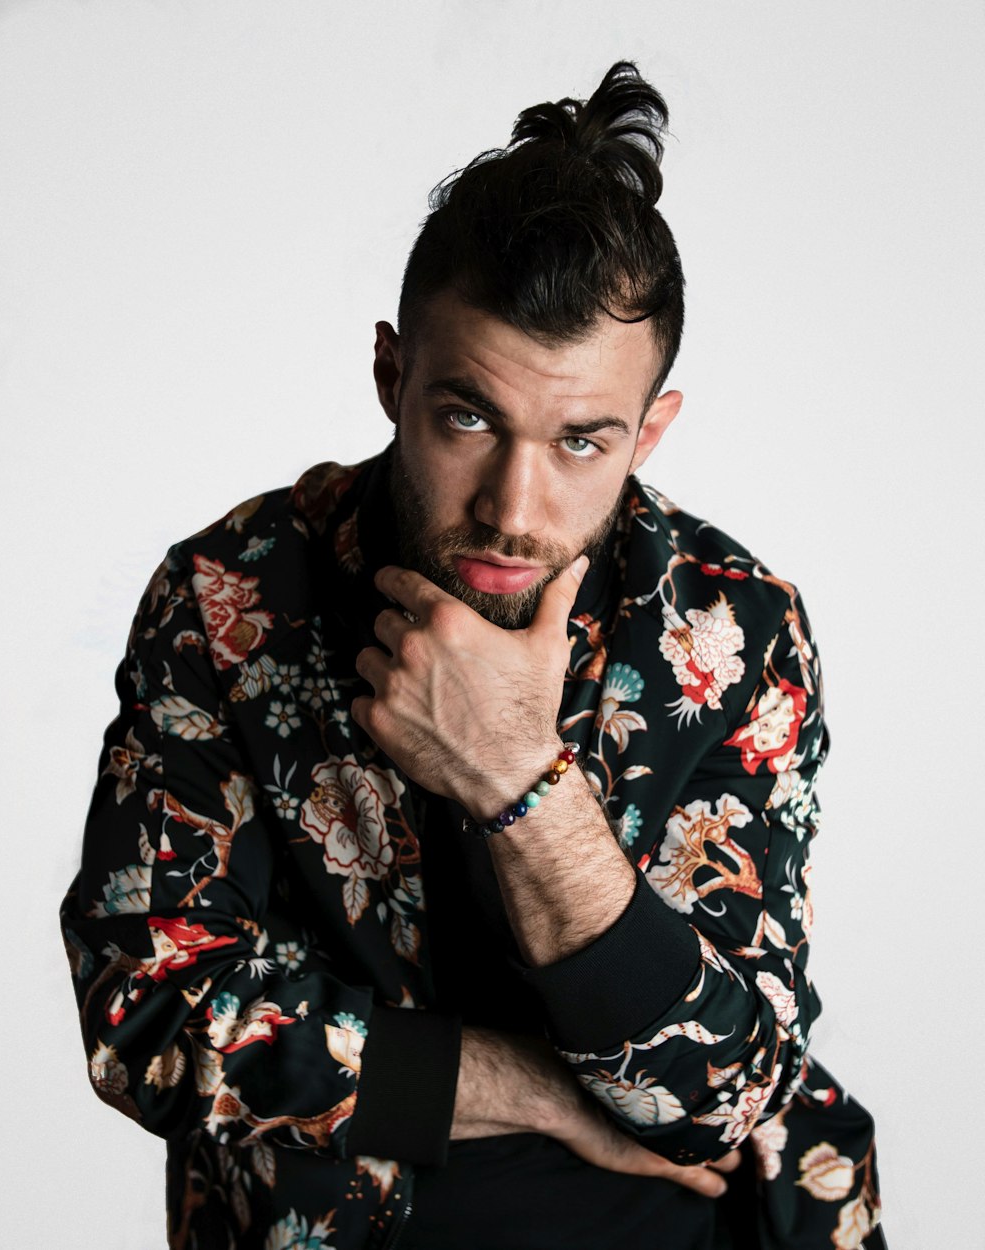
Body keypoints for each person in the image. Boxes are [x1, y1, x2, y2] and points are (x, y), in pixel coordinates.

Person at [60, 62, 884, 1250]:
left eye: (581, 440)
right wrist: (529, 1086)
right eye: (467, 417)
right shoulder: (231, 598)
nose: (513, 503)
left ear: (650, 430)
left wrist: (513, 778)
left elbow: (725, 1091)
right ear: (393, 375)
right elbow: (142, 1017)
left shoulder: (732, 630)